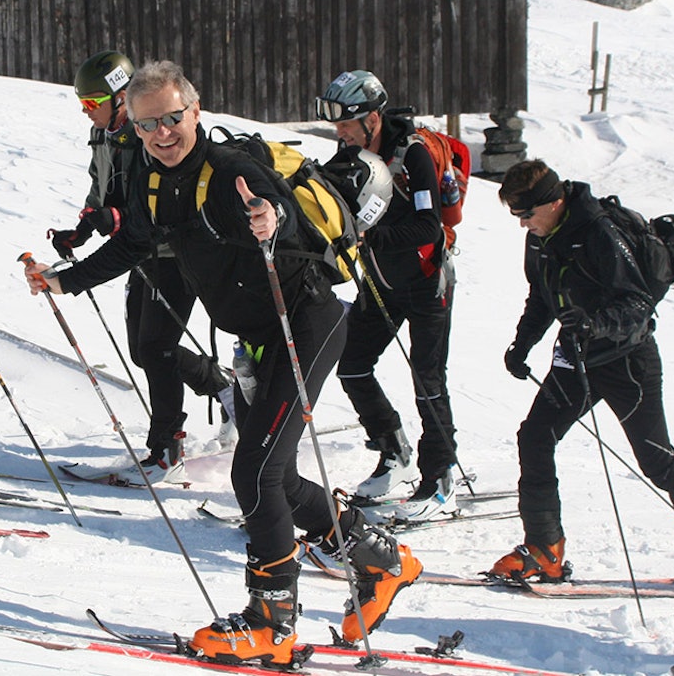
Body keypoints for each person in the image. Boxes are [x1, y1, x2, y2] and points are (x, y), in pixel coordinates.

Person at [23, 61, 421, 662]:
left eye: (172, 118)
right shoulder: (151, 179)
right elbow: (134, 243)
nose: (162, 132)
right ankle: (380, 560)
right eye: (148, 122)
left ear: (195, 110)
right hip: (259, 340)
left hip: (304, 326)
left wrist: (270, 218)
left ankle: (272, 622)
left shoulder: (231, 169)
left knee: (255, 473)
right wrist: (65, 280)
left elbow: (277, 207)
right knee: (277, 477)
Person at [493, 159, 674, 588]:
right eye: (516, 215)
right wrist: (523, 344)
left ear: (553, 202)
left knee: (655, 459)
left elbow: (637, 305)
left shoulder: (600, 233)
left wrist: (595, 324)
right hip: (576, 357)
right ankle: (545, 548)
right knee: (535, 436)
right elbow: (541, 295)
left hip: (627, 360)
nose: (522, 223)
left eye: (526, 213)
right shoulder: (540, 238)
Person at [49, 50, 234, 484]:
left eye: (92, 102)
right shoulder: (103, 136)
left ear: (120, 97)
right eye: (82, 103)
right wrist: (82, 229)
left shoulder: (150, 136)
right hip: (137, 252)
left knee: (156, 348)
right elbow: (101, 190)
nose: (86, 111)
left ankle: (167, 449)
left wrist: (114, 219)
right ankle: (225, 387)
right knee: (143, 350)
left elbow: (156, 201)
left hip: (175, 252)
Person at [318, 70, 460, 521]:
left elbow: (428, 226)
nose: (340, 132)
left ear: (373, 118)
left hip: (427, 282)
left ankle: (440, 477)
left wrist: (371, 239)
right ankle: (394, 453)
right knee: (353, 366)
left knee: (428, 379)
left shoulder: (412, 155)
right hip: (380, 282)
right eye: (338, 125)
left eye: (347, 123)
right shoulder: (350, 155)